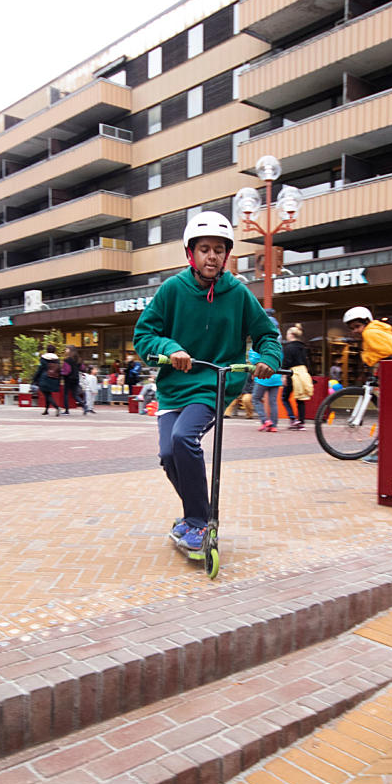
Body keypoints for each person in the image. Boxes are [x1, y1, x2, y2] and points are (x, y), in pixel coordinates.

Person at [134, 211, 280, 552]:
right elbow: (144, 335)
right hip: (173, 388)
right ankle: (194, 515)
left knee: (185, 438)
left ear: (226, 254)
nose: (211, 256)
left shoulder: (238, 294)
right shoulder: (172, 290)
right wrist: (170, 349)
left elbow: (267, 335)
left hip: (213, 385)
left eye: (218, 249)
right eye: (204, 249)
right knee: (169, 454)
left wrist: (269, 360)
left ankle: (199, 523)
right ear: (191, 253)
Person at [341, 306, 392, 461]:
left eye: (357, 326)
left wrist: (367, 358)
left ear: (366, 322)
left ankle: (385, 451)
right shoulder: (374, 331)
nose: (355, 330)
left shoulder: (370, 332)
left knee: (390, 413)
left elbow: (384, 351)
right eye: (352, 328)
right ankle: (389, 448)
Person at [280, 325, 313, 431]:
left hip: (292, 373)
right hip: (303, 372)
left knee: (285, 397)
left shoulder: (288, 347)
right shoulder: (303, 347)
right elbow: (308, 362)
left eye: (288, 334)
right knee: (300, 399)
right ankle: (301, 422)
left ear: (291, 335)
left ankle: (293, 419)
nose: (287, 336)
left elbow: (287, 362)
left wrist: (284, 375)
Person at [250, 342, 284, 432]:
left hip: (263, 377)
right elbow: (281, 359)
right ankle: (273, 425)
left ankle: (265, 420)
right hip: (276, 377)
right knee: (273, 402)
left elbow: (254, 359)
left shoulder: (260, 343)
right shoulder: (278, 346)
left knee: (255, 398)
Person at [32, 349, 61, 416]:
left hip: (44, 378)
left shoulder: (43, 359)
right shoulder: (57, 359)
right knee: (48, 394)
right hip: (53, 378)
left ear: (47, 350)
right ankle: (46, 410)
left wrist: (34, 379)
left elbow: (40, 369)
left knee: (47, 395)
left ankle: (57, 407)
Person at [61, 345, 87, 415]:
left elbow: (67, 371)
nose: (65, 350)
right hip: (76, 378)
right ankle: (83, 405)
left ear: (70, 350)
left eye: (66, 349)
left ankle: (66, 410)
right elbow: (83, 368)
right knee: (75, 395)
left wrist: (61, 372)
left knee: (66, 394)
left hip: (68, 379)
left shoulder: (67, 360)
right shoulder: (78, 359)